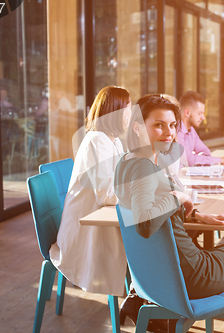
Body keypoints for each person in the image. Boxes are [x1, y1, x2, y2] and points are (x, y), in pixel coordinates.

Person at [114, 94, 224, 333]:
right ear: (138, 127)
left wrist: (197, 216)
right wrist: (178, 197)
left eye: (172, 125)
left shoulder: (126, 162)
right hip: (190, 275)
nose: (168, 132)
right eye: (158, 125)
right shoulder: (144, 167)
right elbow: (146, 223)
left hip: (155, 278)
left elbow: (155, 215)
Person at [49, 86, 132, 296]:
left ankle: (141, 298)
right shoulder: (97, 141)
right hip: (86, 229)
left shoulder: (112, 141)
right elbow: (106, 195)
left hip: (97, 218)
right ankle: (142, 299)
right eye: (127, 110)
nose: (130, 115)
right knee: (148, 240)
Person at [176, 91, 224, 166]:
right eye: (200, 113)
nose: (203, 117)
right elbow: (190, 160)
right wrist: (221, 159)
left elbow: (205, 151)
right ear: (187, 113)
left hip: (187, 175)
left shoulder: (191, 130)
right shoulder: (176, 131)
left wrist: (199, 159)